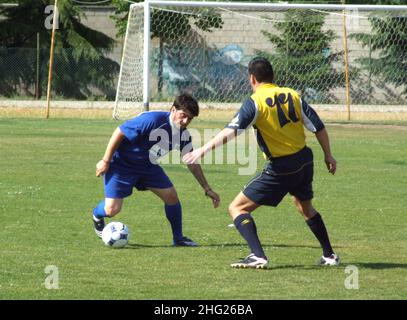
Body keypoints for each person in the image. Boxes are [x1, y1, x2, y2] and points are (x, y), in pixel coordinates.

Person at [183, 57, 339, 268]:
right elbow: (318, 126)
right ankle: (329, 255)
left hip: (281, 167)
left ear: (252, 78)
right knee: (305, 207)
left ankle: (258, 255)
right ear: (273, 76)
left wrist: (202, 150)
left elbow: (232, 131)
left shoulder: (255, 101)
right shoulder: (293, 95)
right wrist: (328, 155)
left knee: (237, 208)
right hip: (304, 160)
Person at [92, 94, 220, 247]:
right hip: (122, 164)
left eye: (190, 119)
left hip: (147, 167)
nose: (185, 121)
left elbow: (191, 162)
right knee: (112, 209)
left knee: (171, 196)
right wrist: (105, 161)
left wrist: (207, 188)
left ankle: (178, 239)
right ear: (173, 110)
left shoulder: (183, 135)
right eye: (183, 115)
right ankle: (97, 215)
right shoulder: (152, 120)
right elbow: (119, 131)